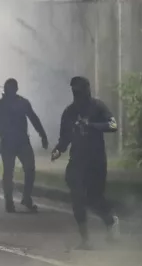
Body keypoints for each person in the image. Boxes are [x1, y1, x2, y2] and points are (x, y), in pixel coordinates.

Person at [51, 76, 120, 249]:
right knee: (77, 197)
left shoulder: (98, 107)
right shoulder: (69, 112)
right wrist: (58, 149)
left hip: (96, 160)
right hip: (77, 161)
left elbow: (113, 125)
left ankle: (110, 221)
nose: (78, 95)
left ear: (88, 90)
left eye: (81, 91)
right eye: (75, 92)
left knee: (95, 197)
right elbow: (65, 137)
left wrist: (92, 125)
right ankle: (85, 239)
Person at [0, 78, 48, 213]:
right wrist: (42, 135)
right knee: (11, 171)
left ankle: (23, 198)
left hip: (19, 141)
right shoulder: (3, 104)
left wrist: (43, 135)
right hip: (10, 142)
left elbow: (33, 118)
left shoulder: (19, 103)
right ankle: (11, 201)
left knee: (27, 169)